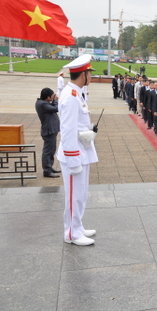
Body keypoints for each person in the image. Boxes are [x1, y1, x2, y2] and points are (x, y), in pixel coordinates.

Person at [56, 54, 98, 246]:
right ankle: (71, 233)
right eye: (90, 73)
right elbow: (67, 130)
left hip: (83, 150)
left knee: (81, 194)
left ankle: (77, 226)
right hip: (74, 154)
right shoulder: (71, 96)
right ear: (83, 75)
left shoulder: (76, 93)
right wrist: (73, 160)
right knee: (74, 195)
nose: (91, 77)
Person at [35, 87, 61, 178]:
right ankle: (47, 170)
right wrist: (55, 100)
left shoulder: (44, 103)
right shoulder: (42, 104)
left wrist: (53, 99)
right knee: (47, 151)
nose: (53, 97)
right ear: (47, 97)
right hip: (49, 130)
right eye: (52, 96)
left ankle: (49, 167)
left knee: (52, 150)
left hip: (51, 130)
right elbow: (56, 109)